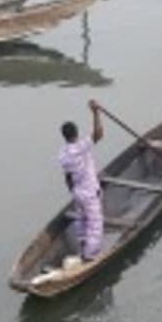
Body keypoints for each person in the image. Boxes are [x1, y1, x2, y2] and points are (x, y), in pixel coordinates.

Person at [58, 101, 105, 264]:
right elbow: (98, 134)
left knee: (81, 221)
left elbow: (67, 176)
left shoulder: (63, 153)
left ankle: (83, 245)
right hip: (89, 193)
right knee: (95, 224)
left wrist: (72, 190)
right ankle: (89, 255)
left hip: (77, 192)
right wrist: (96, 113)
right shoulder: (80, 148)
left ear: (64, 136)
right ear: (76, 133)